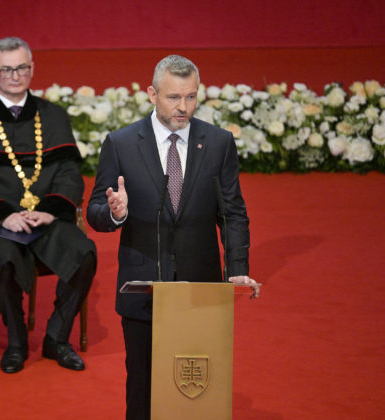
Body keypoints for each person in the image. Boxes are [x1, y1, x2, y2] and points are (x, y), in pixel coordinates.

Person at [86, 55, 261, 419]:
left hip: (201, 288)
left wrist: (237, 267)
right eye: (173, 98)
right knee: (143, 389)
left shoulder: (218, 143)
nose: (183, 107)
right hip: (143, 287)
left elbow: (232, 213)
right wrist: (116, 212)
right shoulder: (120, 144)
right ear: (152, 94)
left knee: (197, 389)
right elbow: (94, 214)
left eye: (191, 97)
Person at [0, 37, 96, 374]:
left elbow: (69, 172)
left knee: (83, 253)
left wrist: (51, 210)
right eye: (6, 69)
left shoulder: (52, 116)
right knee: (2, 258)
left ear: (32, 68)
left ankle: (57, 336)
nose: (14, 75)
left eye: (21, 68)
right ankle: (16, 339)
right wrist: (3, 214)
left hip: (45, 217)